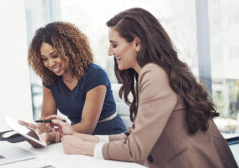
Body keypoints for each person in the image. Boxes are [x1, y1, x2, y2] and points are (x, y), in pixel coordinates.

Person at [44, 8, 238, 168]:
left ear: (136, 43)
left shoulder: (153, 75)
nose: (109, 51)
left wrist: (84, 148)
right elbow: (133, 135)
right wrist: (86, 140)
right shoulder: (154, 72)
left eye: (114, 44)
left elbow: (136, 149)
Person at [20, 21, 126, 145]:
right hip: (74, 138)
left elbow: (87, 126)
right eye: (44, 59)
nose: (50, 63)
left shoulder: (95, 75)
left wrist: (51, 136)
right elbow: (47, 117)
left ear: (70, 51)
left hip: (109, 139)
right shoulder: (50, 78)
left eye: (54, 56)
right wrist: (36, 131)